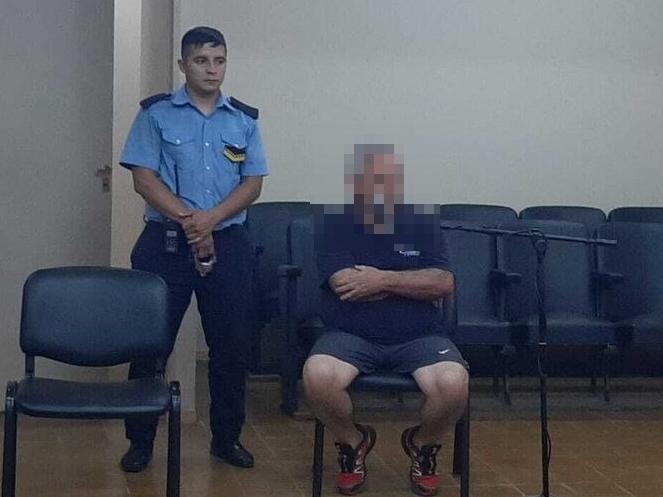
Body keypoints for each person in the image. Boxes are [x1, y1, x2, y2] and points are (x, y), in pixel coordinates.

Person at [118, 26, 267, 471]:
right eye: (202, 60)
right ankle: (140, 442)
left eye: (219, 60)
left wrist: (211, 220)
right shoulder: (156, 114)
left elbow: (253, 184)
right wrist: (191, 221)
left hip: (229, 243)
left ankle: (227, 439)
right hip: (165, 244)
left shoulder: (243, 120)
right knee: (149, 346)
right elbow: (143, 179)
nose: (212, 69)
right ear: (183, 65)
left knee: (231, 346)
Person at [303, 144, 468, 496]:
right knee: (317, 376)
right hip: (350, 334)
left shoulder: (422, 224)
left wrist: (380, 280)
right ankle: (353, 443)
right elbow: (344, 283)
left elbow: (442, 283)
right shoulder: (335, 225)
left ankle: (423, 446)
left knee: (454, 384)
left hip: (420, 336)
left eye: (386, 179)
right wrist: (411, 283)